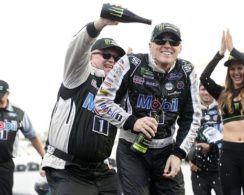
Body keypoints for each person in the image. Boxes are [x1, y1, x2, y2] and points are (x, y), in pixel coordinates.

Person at [94, 22, 201, 195]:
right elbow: (101, 101)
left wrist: (179, 153)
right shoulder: (129, 63)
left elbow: (193, 117)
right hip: (131, 150)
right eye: (160, 40)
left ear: (179, 48)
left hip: (166, 151)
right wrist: (132, 122)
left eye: (173, 42)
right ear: (150, 45)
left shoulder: (187, 71)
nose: (167, 45)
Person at [41, 11, 126, 195]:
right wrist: (99, 24)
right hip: (67, 168)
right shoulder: (78, 75)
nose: (111, 60)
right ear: (90, 56)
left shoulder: (118, 91)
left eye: (116, 58)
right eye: (105, 55)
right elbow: (76, 49)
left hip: (101, 171)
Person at [200, 30, 244, 195]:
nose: (236, 72)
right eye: (232, 69)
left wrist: (233, 50)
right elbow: (204, 77)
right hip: (229, 153)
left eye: (240, 68)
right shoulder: (222, 93)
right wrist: (221, 53)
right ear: (228, 72)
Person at [0, 80, 45, 195]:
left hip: (5, 165)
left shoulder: (18, 113)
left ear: (7, 94)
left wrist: (44, 157)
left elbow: (33, 136)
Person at [187, 84, 223, 195]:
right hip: (198, 168)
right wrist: (189, 160)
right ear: (198, 91)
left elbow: (228, 135)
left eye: (209, 89)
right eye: (203, 89)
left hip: (219, 166)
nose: (206, 93)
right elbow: (186, 136)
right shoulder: (192, 109)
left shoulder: (222, 108)